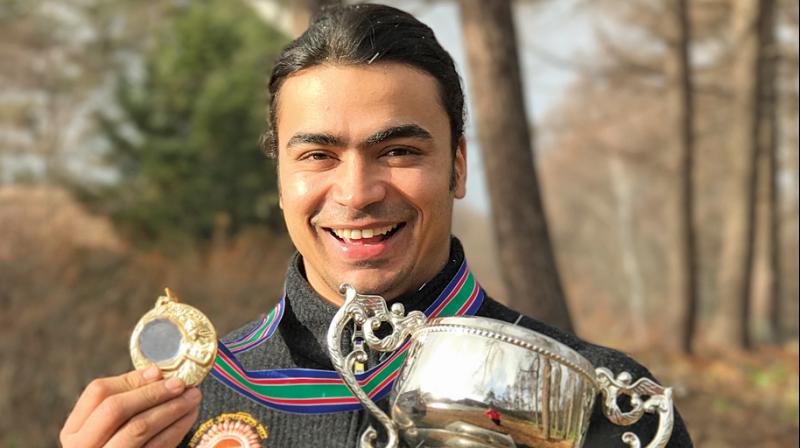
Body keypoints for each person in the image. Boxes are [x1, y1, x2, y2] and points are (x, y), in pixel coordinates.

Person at [60, 3, 694, 447]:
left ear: (457, 165)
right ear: (280, 177)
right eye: (318, 155)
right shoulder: (184, 409)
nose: (358, 193)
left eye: (399, 151)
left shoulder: (601, 401)